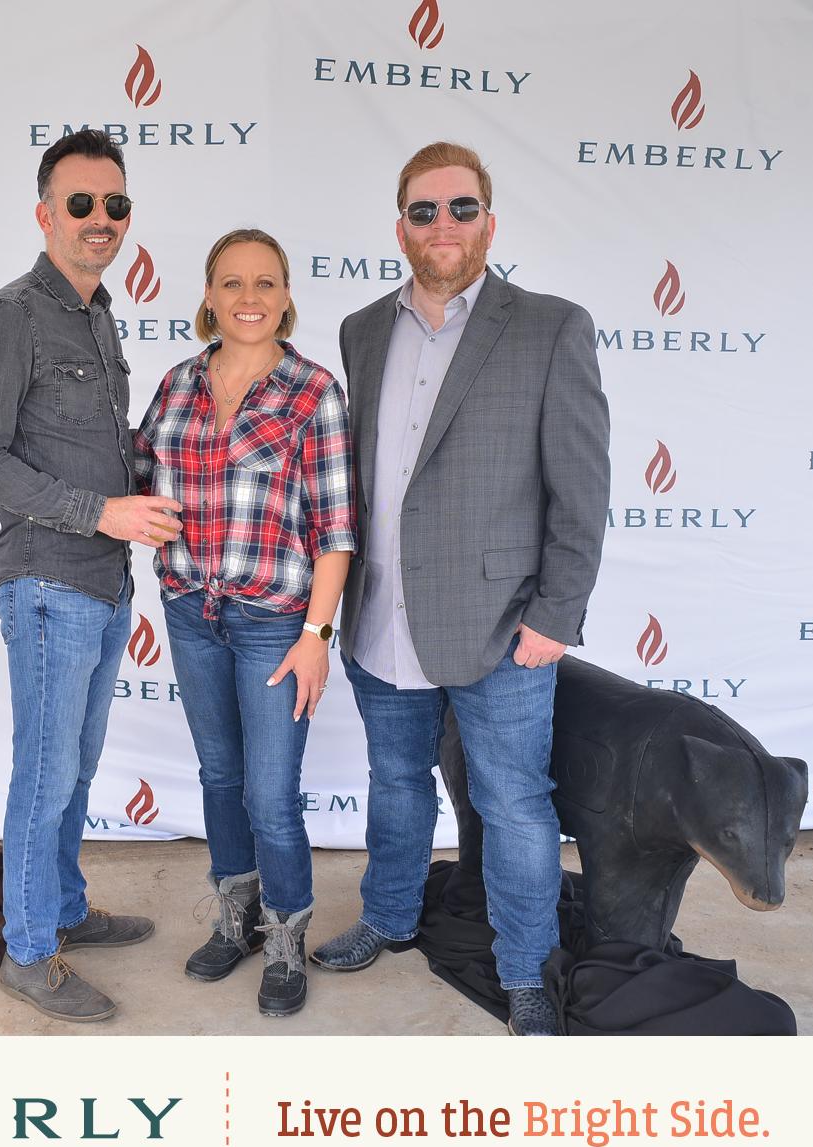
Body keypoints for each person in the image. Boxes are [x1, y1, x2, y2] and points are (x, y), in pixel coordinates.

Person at [311, 142, 610, 1037]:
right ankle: (390, 915)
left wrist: (555, 615)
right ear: (400, 225)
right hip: (379, 616)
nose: (443, 225)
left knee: (513, 802)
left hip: (501, 622)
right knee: (395, 780)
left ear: (490, 219)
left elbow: (582, 484)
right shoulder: (363, 330)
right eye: (424, 211)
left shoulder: (553, 326)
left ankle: (523, 972)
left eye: (461, 208)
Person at [0, 129, 185, 1023]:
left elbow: (92, 446)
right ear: (45, 213)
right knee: (45, 773)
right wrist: (101, 513)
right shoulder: (13, 314)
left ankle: (62, 908)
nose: (100, 219)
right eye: (81, 203)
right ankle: (30, 951)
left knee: (78, 769)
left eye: (115, 205)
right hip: (48, 581)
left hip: (103, 582)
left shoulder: (98, 313)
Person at [131, 229, 355, 1017]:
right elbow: (133, 479)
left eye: (265, 283)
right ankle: (238, 920)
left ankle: (287, 933)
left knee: (270, 793)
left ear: (288, 297)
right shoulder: (177, 385)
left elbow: (336, 530)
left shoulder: (313, 391)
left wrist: (316, 638)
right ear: (208, 297)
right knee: (220, 778)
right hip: (192, 612)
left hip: (273, 623)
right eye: (232, 283)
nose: (249, 298)